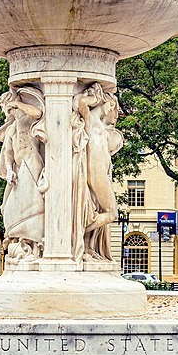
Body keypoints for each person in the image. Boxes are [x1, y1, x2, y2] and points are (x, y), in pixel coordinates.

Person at [0, 86, 47, 264]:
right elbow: (8, 154)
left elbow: (39, 113)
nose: (6, 112)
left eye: (7, 108)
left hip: (32, 164)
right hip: (17, 169)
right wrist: (9, 170)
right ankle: (19, 239)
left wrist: (17, 103)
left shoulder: (29, 120)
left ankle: (36, 243)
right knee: (5, 207)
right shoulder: (10, 129)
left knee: (35, 203)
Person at [72, 82, 124, 262]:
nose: (115, 114)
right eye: (114, 109)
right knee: (112, 213)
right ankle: (75, 231)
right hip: (96, 173)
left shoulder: (101, 127)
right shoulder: (91, 120)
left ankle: (85, 245)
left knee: (101, 211)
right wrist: (96, 98)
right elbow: (81, 104)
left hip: (99, 173)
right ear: (109, 105)